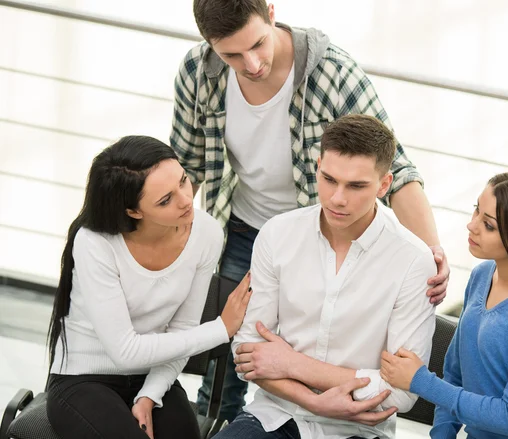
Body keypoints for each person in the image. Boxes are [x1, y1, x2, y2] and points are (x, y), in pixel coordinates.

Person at [170, 0, 449, 421]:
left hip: (321, 234)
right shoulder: (197, 72)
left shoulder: (333, 73)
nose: (252, 64)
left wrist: (430, 249)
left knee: (317, 345)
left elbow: (394, 168)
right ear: (210, 45)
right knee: (226, 368)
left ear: (270, 11)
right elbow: (184, 168)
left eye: (258, 44)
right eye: (232, 55)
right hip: (244, 231)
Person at [212, 114, 437, 439]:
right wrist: (314, 402)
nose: (337, 198)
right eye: (329, 179)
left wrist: (291, 364)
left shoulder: (414, 261)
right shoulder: (278, 234)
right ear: (317, 166)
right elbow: (247, 351)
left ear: (384, 185)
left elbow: (400, 393)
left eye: (356, 186)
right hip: (275, 415)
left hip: (360, 428)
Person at [45, 136, 252, 439]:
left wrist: (150, 395)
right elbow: (126, 352)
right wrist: (221, 329)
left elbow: (183, 329)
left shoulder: (206, 232)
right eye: (165, 199)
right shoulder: (95, 242)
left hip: (151, 373)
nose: (185, 200)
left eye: (183, 181)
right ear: (133, 211)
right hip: (83, 379)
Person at [379, 169, 508, 438]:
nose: (471, 226)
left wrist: (421, 381)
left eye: (489, 225)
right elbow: (454, 374)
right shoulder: (482, 275)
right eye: (477, 210)